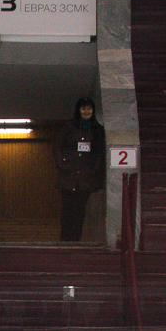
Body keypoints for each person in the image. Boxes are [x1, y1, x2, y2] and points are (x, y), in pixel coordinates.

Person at [54, 96, 107, 242]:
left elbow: (100, 153)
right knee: (67, 210)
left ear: (93, 110)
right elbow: (57, 146)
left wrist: (93, 170)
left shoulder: (97, 129)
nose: (86, 111)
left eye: (89, 108)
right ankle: (64, 240)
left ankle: (75, 240)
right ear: (79, 110)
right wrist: (61, 164)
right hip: (68, 176)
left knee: (79, 211)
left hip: (85, 179)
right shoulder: (69, 126)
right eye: (83, 108)